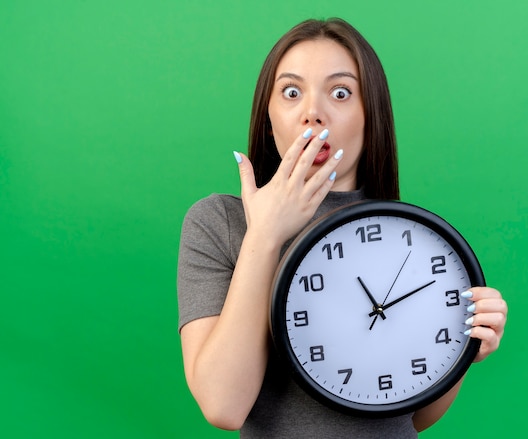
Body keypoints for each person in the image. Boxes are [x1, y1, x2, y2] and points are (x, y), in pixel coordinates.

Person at [177, 17, 508, 438]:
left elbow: (411, 415)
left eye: (340, 92)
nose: (313, 113)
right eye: (292, 92)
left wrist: (464, 349)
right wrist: (265, 233)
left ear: (372, 116)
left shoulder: (413, 238)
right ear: (268, 116)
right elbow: (223, 405)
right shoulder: (219, 222)